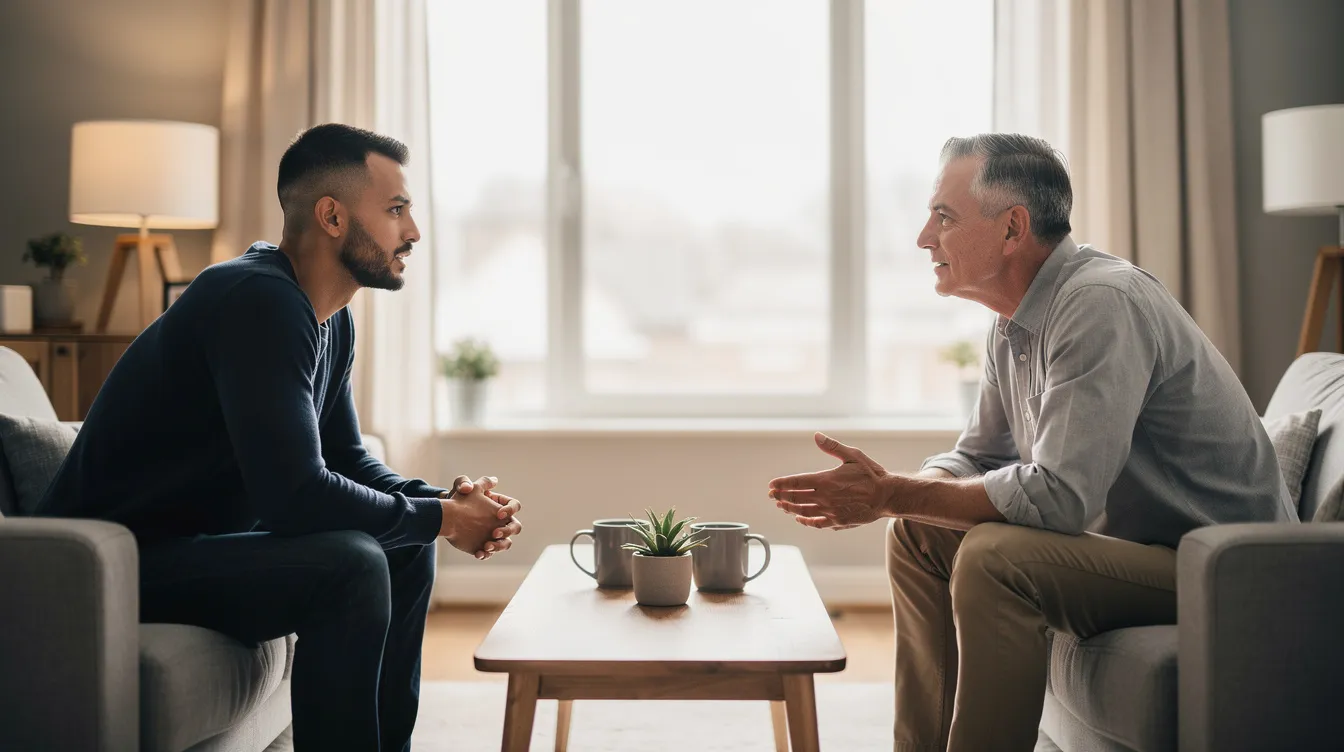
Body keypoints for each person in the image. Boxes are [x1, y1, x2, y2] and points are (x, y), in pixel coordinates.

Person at [767, 133, 1293, 752]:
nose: (922, 238)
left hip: (1223, 566)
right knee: (915, 528)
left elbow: (1059, 498)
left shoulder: (1100, 304)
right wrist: (904, 494)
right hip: (1142, 552)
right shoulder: (1014, 321)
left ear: (1013, 228)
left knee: (997, 557)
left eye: (943, 217)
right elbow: (979, 455)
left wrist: (888, 493)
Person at [37, 123, 523, 751]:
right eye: (396, 209)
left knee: (406, 544)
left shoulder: (330, 319)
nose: (414, 231)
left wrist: (445, 506)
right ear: (331, 216)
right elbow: (293, 496)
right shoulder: (256, 300)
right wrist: (440, 517)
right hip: (114, 564)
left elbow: (346, 459)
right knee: (351, 565)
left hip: (198, 546)